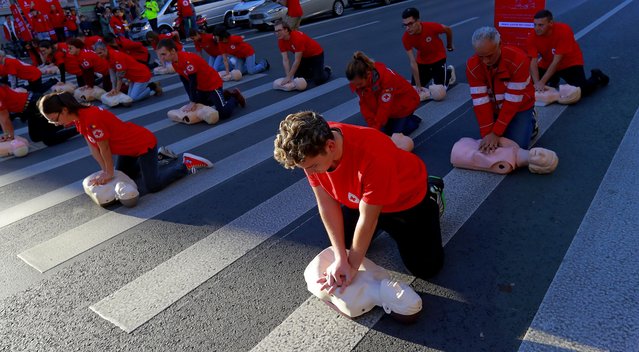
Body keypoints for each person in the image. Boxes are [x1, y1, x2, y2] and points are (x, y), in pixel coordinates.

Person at [273, 111, 445, 292]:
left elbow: (368, 220)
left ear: (330, 146)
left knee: (426, 268)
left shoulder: (372, 154)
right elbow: (326, 203)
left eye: (313, 166)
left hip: (404, 200)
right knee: (344, 250)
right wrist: (340, 257)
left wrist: (352, 267)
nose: (311, 172)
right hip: (360, 198)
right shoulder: (310, 147)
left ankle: (432, 193)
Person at [37, 91, 213, 192]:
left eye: (54, 119)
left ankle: (186, 164)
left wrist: (108, 172)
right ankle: (159, 157)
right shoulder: (77, 120)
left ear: (65, 110)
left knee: (152, 186)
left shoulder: (91, 118)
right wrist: (104, 171)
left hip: (142, 144)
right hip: (127, 150)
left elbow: (104, 148)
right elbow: (94, 148)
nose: (55, 124)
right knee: (127, 175)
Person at [466, 26, 536, 152]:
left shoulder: (518, 60)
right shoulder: (472, 66)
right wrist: (487, 133)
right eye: (480, 56)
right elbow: (480, 101)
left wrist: (496, 133)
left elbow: (512, 101)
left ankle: (531, 121)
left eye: (489, 56)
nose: (485, 61)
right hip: (494, 107)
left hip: (520, 105)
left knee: (517, 147)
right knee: (491, 144)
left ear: (500, 45)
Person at [155, 39, 245, 120]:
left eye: (164, 54)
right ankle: (225, 96)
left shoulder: (187, 60)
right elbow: (186, 82)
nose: (162, 58)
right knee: (201, 105)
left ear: (173, 51)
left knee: (223, 113)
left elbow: (192, 82)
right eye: (160, 55)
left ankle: (234, 97)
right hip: (202, 87)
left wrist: (193, 101)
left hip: (213, 84)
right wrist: (192, 100)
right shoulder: (175, 62)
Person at [527, 9, 609, 96]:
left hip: (569, 63)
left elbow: (557, 62)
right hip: (547, 63)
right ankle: (553, 78)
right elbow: (533, 62)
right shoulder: (532, 36)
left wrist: (542, 82)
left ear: (550, 23)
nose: (536, 28)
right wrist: (536, 83)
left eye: (541, 25)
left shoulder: (564, 30)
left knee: (581, 91)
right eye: (535, 25)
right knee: (528, 84)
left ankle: (597, 77)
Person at [346, 51, 421, 136]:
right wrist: (371, 125)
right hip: (392, 105)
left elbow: (384, 106)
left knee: (394, 134)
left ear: (368, 74)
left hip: (406, 103)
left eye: (359, 84)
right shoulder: (358, 82)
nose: (357, 87)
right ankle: (401, 121)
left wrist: (376, 128)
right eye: (355, 84)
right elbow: (364, 105)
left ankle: (412, 120)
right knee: (382, 131)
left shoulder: (387, 79)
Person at [0, 84, 77, 145]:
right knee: (36, 137)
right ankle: (66, 122)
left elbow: (4, 119)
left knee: (49, 140)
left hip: (35, 104)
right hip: (30, 107)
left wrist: (9, 137)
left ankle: (78, 129)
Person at [401, 7, 455, 92]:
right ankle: (433, 75)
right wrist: (418, 86)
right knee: (414, 89)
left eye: (410, 24)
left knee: (440, 91)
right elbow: (412, 62)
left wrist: (449, 45)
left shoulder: (431, 27)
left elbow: (448, 29)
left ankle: (449, 72)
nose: (407, 28)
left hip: (438, 58)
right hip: (422, 61)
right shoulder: (406, 38)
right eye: (405, 25)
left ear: (418, 20)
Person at [93, 41, 162, 102]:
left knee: (134, 98)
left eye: (100, 53)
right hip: (134, 78)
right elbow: (112, 74)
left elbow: (120, 76)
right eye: (97, 54)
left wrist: (117, 90)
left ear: (105, 49)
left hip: (141, 75)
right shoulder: (108, 57)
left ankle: (152, 86)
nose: (99, 56)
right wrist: (113, 88)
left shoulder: (116, 56)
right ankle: (147, 87)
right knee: (129, 97)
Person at [274, 20, 331, 87]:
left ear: (286, 30)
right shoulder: (281, 40)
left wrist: (289, 76)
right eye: (275, 31)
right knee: (297, 77)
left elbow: (297, 60)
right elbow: (285, 59)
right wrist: (288, 76)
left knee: (318, 80)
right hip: (304, 57)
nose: (277, 33)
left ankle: (327, 70)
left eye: (279, 30)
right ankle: (315, 70)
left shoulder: (297, 38)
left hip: (316, 55)